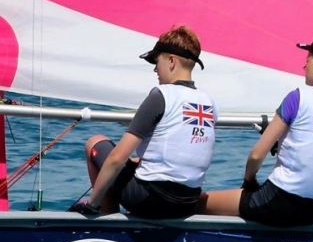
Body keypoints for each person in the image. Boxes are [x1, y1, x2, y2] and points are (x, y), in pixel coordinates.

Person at [199, 36, 313, 227]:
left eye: (307, 61)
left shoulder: (298, 97)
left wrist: (249, 181)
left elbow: (256, 155)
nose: (304, 67)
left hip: (279, 202)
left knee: (200, 202)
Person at [69, 25, 217, 218]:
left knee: (95, 142)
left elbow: (116, 159)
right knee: (134, 162)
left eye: (157, 62)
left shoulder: (161, 95)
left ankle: (102, 212)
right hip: (188, 203)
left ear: (171, 61)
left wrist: (91, 203)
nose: (155, 69)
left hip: (151, 202)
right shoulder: (209, 102)